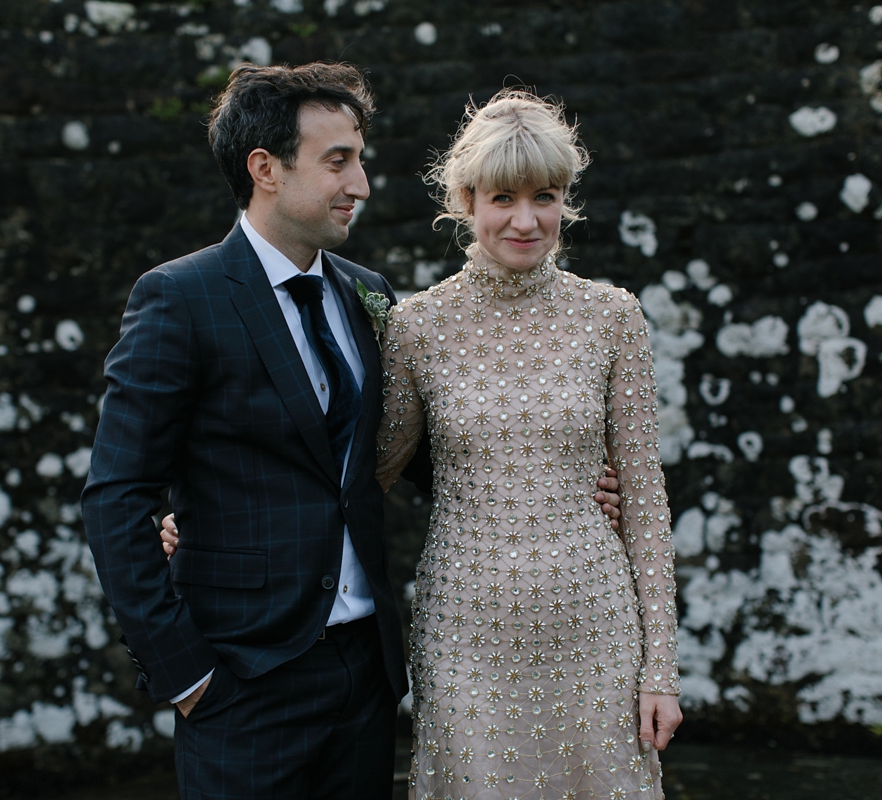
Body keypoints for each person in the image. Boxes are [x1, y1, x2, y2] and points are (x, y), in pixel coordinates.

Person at [82, 63, 416, 800]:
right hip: (243, 686)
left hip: (366, 676)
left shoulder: (370, 294)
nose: (361, 184)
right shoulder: (179, 297)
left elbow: (406, 453)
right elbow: (116, 496)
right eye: (339, 161)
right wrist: (188, 675)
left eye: (360, 159)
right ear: (264, 168)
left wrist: (555, 476)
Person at [374, 90, 683, 799]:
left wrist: (659, 669)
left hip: (597, 629)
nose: (525, 219)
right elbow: (367, 473)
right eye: (502, 198)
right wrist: (206, 516)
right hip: (466, 635)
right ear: (464, 199)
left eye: (544, 196)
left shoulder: (612, 317)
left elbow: (643, 501)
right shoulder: (418, 326)